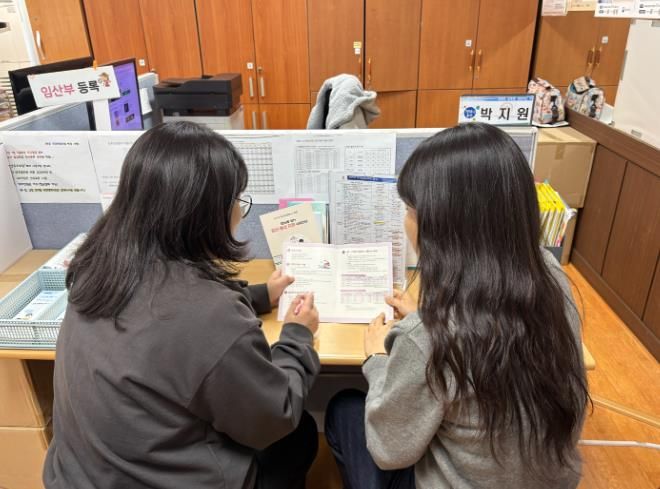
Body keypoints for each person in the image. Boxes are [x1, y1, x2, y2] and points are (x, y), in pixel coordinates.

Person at [43, 121, 321, 489]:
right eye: (236, 201)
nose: (239, 213)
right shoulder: (209, 314)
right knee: (298, 434)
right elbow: (273, 417)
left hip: (81, 476)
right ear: (204, 215)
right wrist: (297, 337)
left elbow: (171, 310)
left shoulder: (95, 268)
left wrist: (257, 295)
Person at [325, 123, 589, 489]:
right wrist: (423, 320)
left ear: (443, 227)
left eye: (409, 209)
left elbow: (390, 450)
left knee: (344, 410)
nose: (406, 221)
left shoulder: (429, 335)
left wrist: (378, 360)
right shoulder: (550, 275)